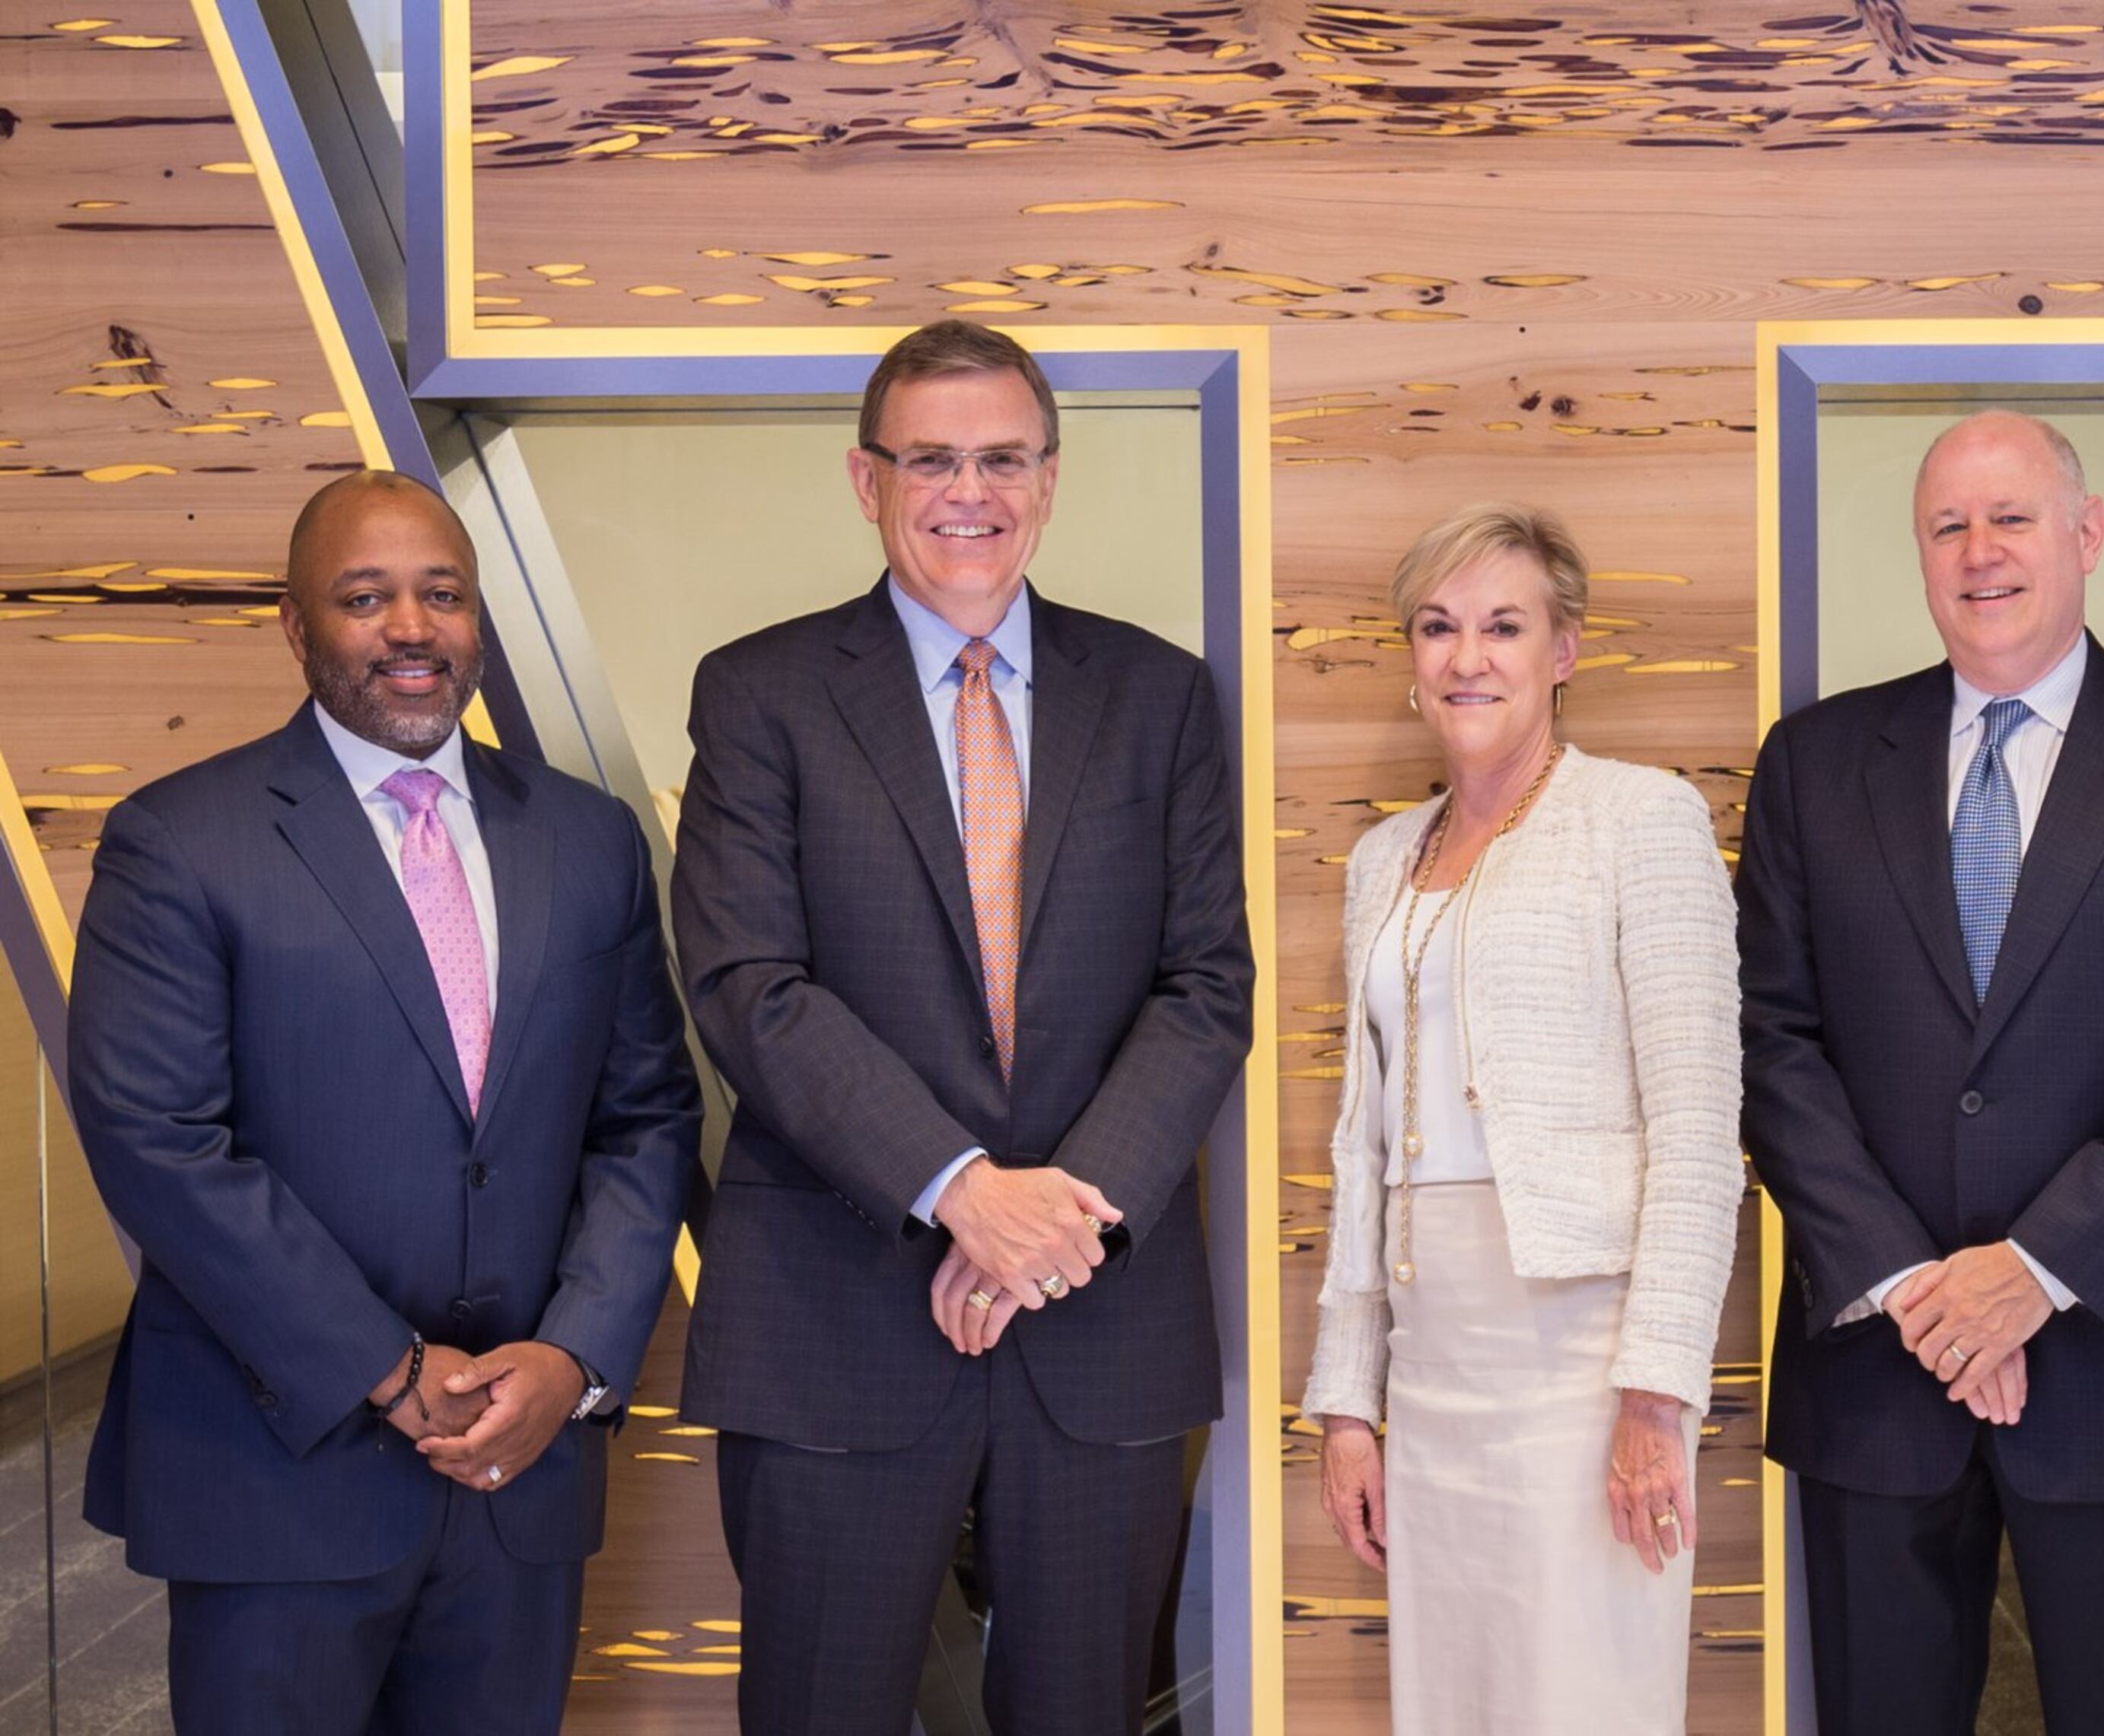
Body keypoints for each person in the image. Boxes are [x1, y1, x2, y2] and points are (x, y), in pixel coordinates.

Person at [669, 319, 1255, 1735]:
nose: (968, 491)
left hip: (1096, 1319)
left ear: (1049, 479)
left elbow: (1205, 985)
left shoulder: (1160, 694)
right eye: (931, 458)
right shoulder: (762, 693)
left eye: (1001, 456)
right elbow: (752, 982)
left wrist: (1055, 1225)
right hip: (835, 1321)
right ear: (866, 481)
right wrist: (962, 1194)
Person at [64, 470, 700, 1734]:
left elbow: (646, 1117)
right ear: (299, 629)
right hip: (276, 1472)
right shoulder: (180, 839)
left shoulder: (589, 839)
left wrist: (574, 1358)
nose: (412, 627)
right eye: (366, 598)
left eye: (441, 594)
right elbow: (160, 1142)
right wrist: (387, 1370)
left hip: (522, 1472)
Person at [1737, 412, 2104, 1735]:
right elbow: (1774, 1038)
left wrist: (2033, 1270)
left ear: (2087, 533)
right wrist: (1917, 1288)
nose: (1980, 551)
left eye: (2012, 518)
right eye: (1948, 524)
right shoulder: (1815, 764)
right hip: (1882, 1364)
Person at [1302, 502, 1741, 1735]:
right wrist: (1348, 1398)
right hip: (1433, 1366)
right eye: (1438, 627)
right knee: (1455, 1705)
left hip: (1582, 1365)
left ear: (1564, 649)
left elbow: (1701, 1130)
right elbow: (1363, 1148)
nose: (1467, 656)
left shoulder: (1641, 819)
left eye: (1504, 624)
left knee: (1584, 1698)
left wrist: (1657, 1395)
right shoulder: (1385, 858)